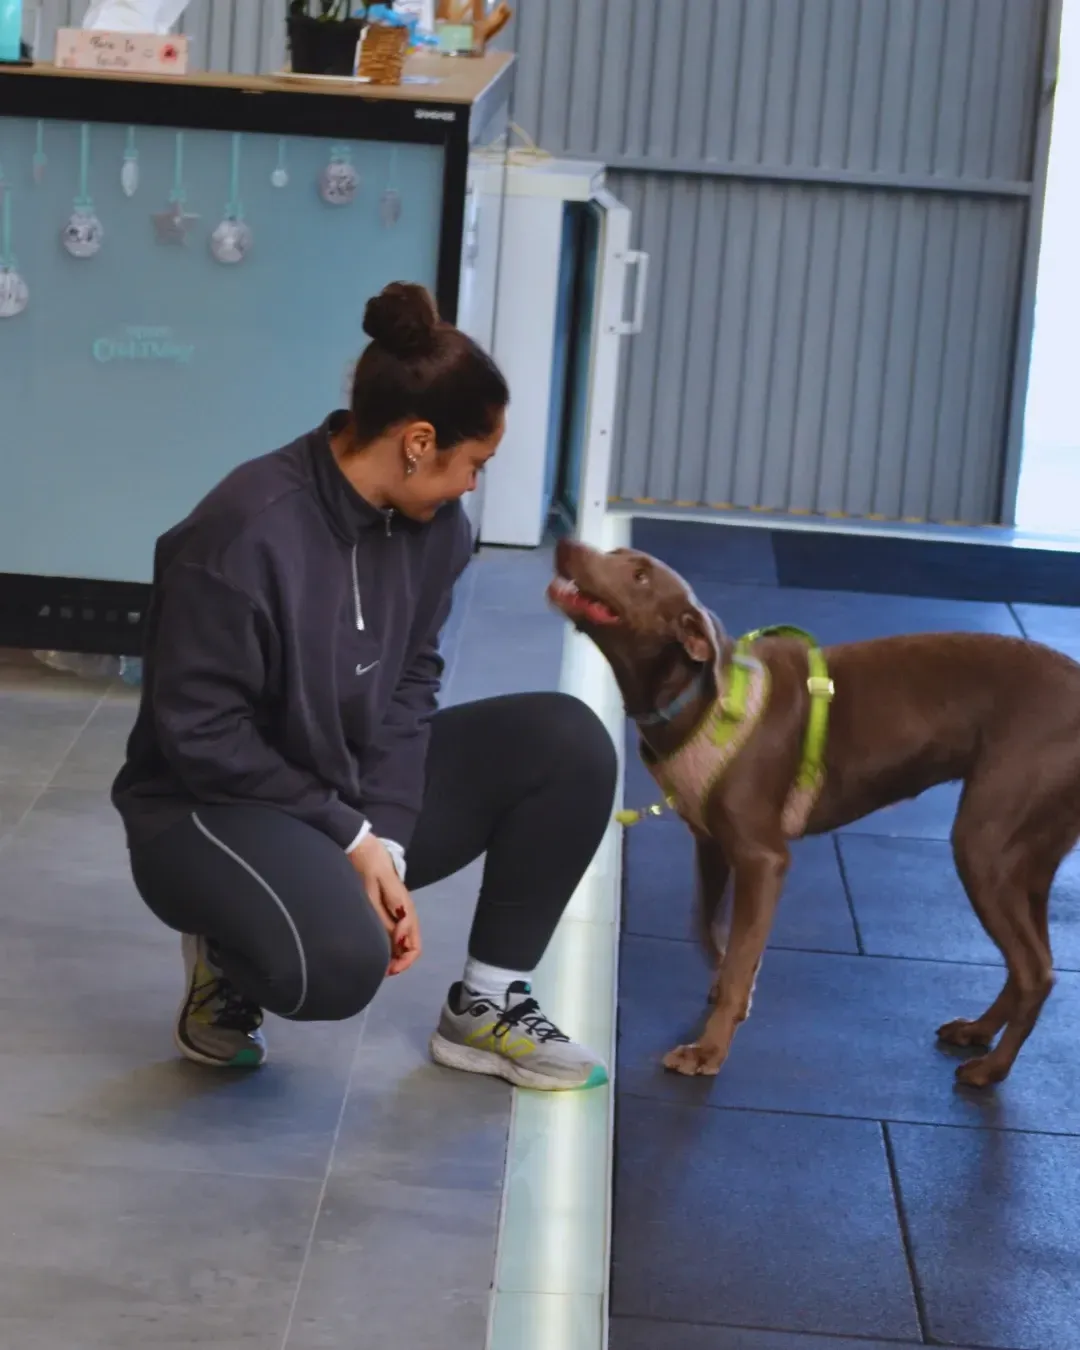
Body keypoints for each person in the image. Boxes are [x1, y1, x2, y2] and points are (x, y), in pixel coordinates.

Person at [111, 281, 616, 1091]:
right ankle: (226, 952)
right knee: (341, 966)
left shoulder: (435, 531)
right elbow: (200, 735)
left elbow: (413, 679)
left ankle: (485, 1005)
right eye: (474, 463)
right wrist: (351, 837)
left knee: (567, 742)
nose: (473, 486)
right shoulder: (242, 533)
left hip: (331, 794)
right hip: (204, 810)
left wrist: (390, 836)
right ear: (419, 440)